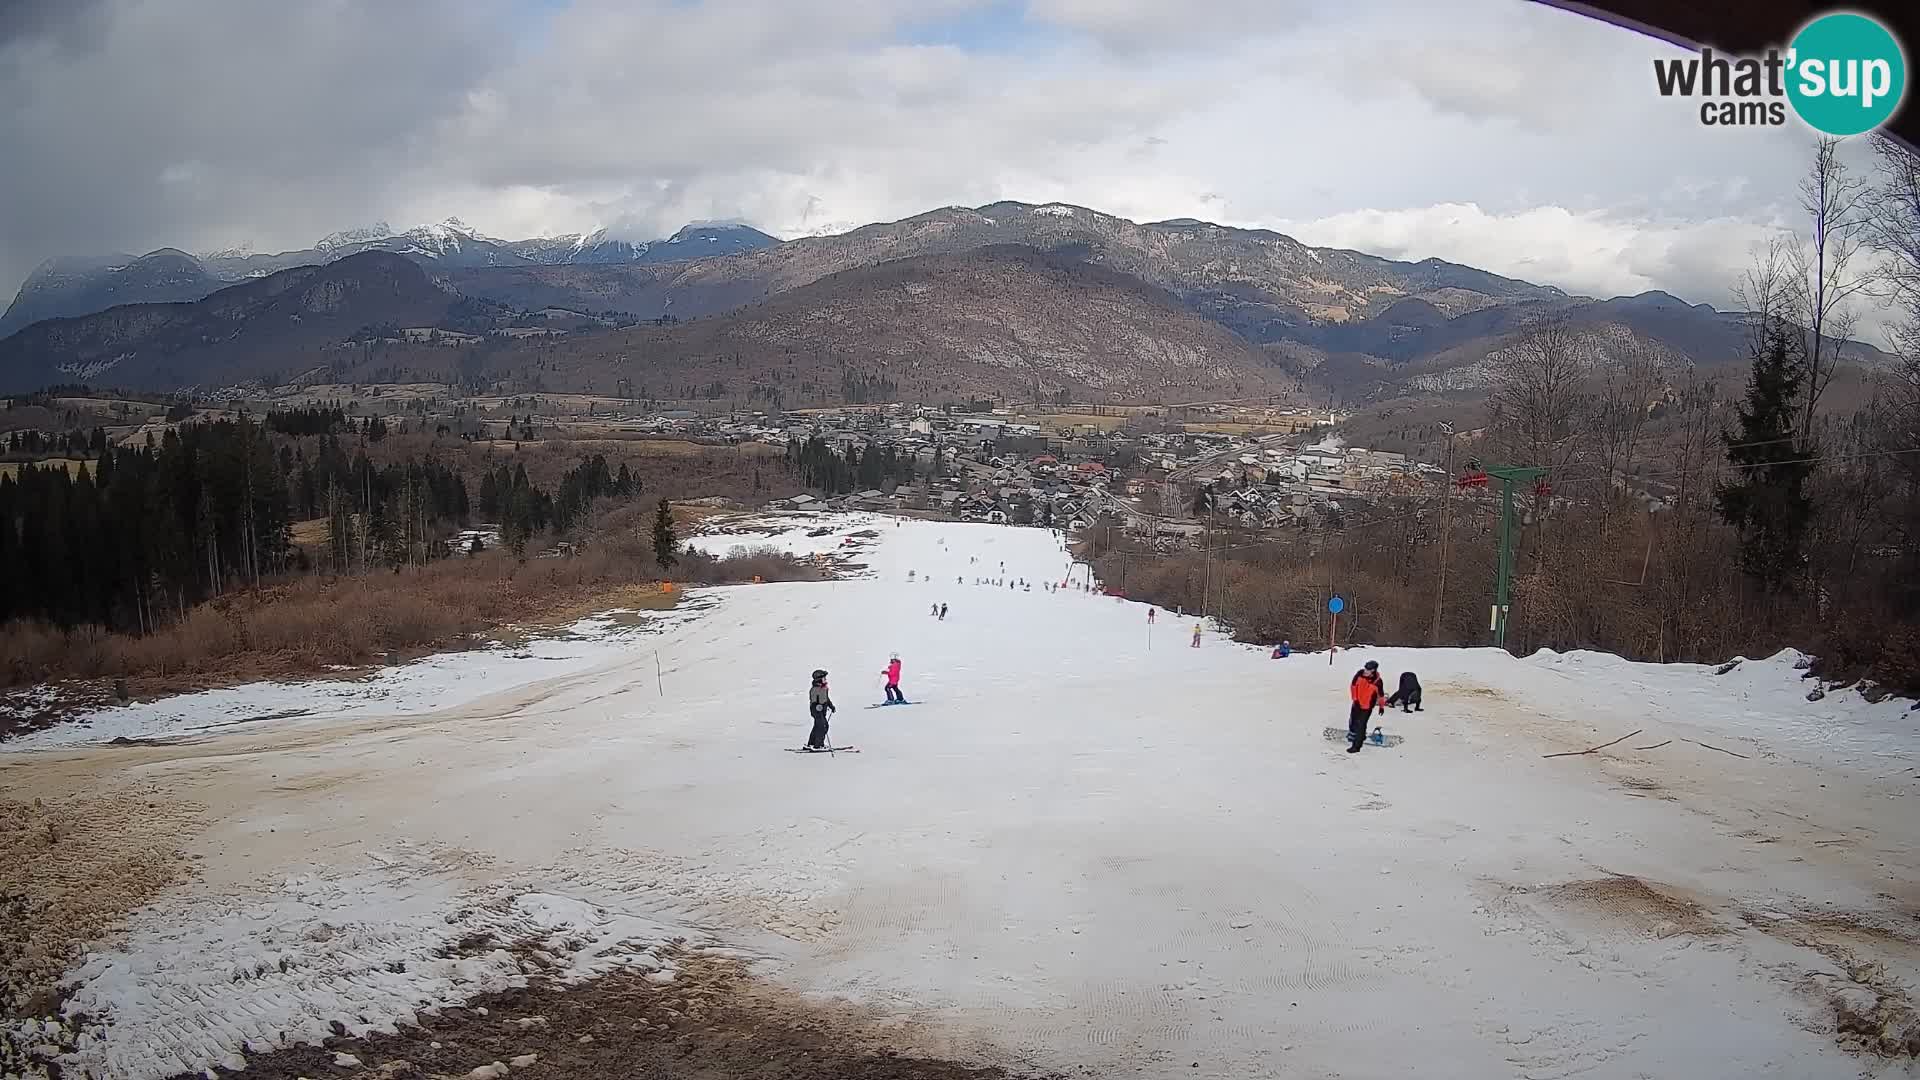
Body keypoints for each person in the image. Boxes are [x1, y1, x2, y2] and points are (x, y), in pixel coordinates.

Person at [1347, 660, 1386, 752]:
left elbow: (1381, 695)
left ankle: (1356, 746)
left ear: (1373, 670)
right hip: (1357, 703)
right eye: (1365, 669)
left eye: (1368, 670)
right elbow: (1353, 686)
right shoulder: (1359, 675)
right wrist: (1355, 699)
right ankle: (1353, 734)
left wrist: (1381, 707)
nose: (1365, 671)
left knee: (1361, 725)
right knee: (1353, 720)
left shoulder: (1377, 682)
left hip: (1367, 707)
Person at [806, 670, 836, 750]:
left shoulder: (824, 688)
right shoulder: (815, 689)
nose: (825, 679)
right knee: (823, 726)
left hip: (822, 711)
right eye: (824, 678)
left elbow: (826, 699)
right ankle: (818, 745)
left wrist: (831, 706)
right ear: (819, 679)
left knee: (817, 726)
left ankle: (811, 743)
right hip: (816, 711)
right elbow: (813, 700)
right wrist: (817, 706)